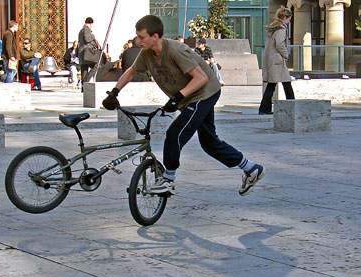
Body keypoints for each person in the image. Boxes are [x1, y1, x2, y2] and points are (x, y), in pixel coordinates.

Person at [102, 15, 265, 196]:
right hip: (190, 96)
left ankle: (168, 179)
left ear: (155, 36)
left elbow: (201, 77)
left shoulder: (175, 50)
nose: (137, 40)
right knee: (209, 142)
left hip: (204, 93)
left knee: (175, 133)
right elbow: (131, 71)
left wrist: (178, 97)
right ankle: (251, 168)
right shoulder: (146, 53)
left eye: (141, 37)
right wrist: (114, 92)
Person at [259, 6, 295, 115]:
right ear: (284, 17)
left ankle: (264, 109)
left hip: (273, 60)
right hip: (278, 60)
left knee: (272, 85)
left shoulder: (274, 28)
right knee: (286, 84)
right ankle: (293, 106)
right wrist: (285, 55)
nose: (289, 21)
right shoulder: (281, 29)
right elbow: (279, 44)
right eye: (289, 19)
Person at [78, 17, 100, 90]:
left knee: (84, 70)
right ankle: (86, 81)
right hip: (87, 53)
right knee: (96, 65)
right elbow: (87, 39)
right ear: (90, 23)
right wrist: (93, 36)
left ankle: (83, 87)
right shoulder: (86, 30)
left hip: (82, 53)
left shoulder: (81, 30)